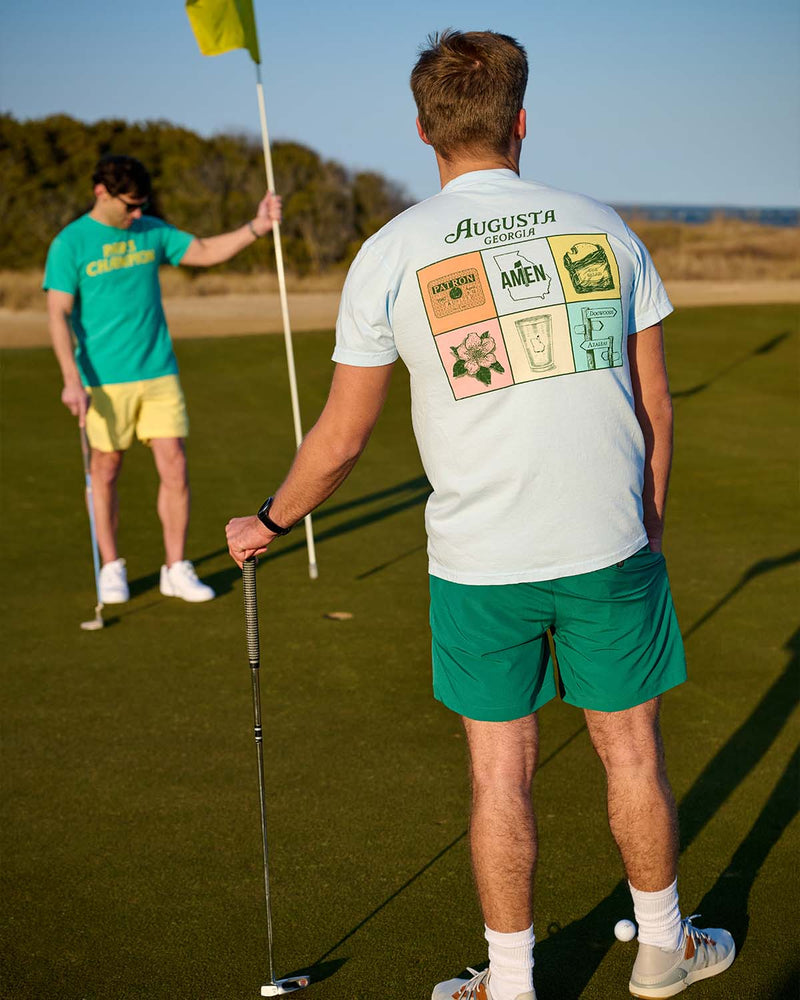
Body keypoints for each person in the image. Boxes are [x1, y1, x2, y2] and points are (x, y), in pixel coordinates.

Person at [225, 30, 735, 1000]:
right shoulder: (604, 227)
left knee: (499, 774)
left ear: (423, 131)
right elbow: (654, 406)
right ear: (521, 119)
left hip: (479, 562)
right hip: (608, 545)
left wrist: (267, 520)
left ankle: (510, 986)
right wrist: (649, 528)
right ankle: (661, 949)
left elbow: (339, 440)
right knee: (630, 748)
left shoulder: (390, 254)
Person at [45, 154, 280, 604]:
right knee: (106, 469)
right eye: (129, 206)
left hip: (158, 371)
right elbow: (58, 311)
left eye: (141, 205)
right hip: (101, 380)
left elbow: (205, 251)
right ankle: (111, 567)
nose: (136, 214)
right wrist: (70, 378)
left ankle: (176, 567)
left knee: (174, 464)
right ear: (101, 192)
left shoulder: (150, 231)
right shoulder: (69, 243)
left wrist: (257, 227)